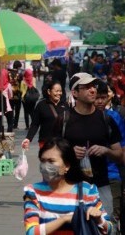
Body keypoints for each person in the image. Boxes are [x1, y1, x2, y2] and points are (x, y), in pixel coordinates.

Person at [64, 72, 123, 220]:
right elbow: (48, 156)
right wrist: (70, 152)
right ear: (75, 93)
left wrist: (106, 151)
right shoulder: (63, 121)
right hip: (70, 186)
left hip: (100, 187)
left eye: (93, 86)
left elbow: (120, 155)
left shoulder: (106, 120)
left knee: (105, 227)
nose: (93, 90)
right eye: (86, 87)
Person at [23, 137, 112, 234]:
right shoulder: (33, 192)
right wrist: (64, 219)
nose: (45, 166)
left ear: (67, 166)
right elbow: (31, 232)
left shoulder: (87, 191)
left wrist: (98, 219)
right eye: (43, 161)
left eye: (51, 161)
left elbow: (109, 229)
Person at [94, 81, 125, 232]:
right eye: (97, 97)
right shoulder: (79, 118)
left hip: (111, 176)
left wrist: (107, 151)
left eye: (103, 97)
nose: (100, 101)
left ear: (108, 98)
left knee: (111, 220)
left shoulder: (113, 118)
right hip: (87, 178)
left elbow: (122, 152)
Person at [21, 80, 68, 150]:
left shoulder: (65, 105)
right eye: (56, 91)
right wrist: (28, 138)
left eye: (60, 91)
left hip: (62, 143)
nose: (59, 93)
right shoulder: (41, 105)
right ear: (49, 91)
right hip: (46, 143)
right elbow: (35, 124)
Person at [9, 60, 24, 129]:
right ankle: (15, 125)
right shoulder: (20, 74)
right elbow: (21, 82)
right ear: (18, 67)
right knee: (17, 111)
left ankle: (11, 123)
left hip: (10, 94)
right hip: (18, 95)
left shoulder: (9, 73)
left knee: (11, 109)